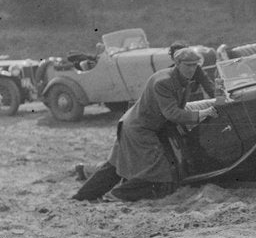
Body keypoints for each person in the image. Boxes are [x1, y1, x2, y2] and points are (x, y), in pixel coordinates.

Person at [72, 47, 218, 202]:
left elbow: (205, 88)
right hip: (140, 129)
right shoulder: (164, 81)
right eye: (188, 65)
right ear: (177, 63)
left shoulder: (181, 77)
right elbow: (172, 113)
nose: (192, 69)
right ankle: (116, 195)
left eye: (195, 65)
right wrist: (204, 113)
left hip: (137, 124)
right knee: (158, 173)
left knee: (116, 166)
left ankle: (82, 197)